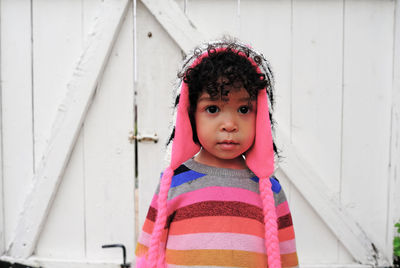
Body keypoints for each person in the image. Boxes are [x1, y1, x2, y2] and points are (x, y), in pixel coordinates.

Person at [134, 39, 299, 268]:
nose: (229, 124)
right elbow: (147, 255)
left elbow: (288, 261)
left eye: (244, 109)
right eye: (212, 109)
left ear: (260, 116)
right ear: (189, 115)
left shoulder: (271, 192)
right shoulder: (173, 183)